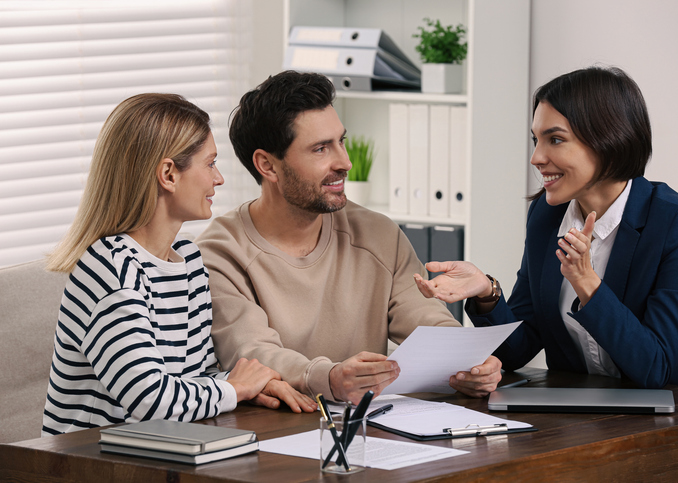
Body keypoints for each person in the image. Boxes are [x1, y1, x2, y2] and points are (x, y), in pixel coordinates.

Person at [195, 70, 502, 404]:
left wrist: (467, 362)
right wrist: (329, 378)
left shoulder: (378, 233)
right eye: (320, 149)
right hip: (274, 432)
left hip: (370, 430)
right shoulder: (219, 253)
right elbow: (251, 352)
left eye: (340, 141)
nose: (345, 162)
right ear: (267, 166)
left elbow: (425, 318)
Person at [416, 66, 678, 390]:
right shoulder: (546, 216)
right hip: (587, 412)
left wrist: (586, 282)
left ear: (608, 139)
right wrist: (487, 293)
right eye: (536, 140)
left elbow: (655, 367)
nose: (536, 157)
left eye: (556, 139)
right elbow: (519, 346)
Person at [42, 93, 316, 436]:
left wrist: (248, 384)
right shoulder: (110, 269)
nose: (219, 179)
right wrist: (233, 389)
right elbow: (150, 399)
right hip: (91, 463)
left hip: (161, 450)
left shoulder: (188, 260)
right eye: (210, 163)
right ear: (169, 174)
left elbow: (192, 379)